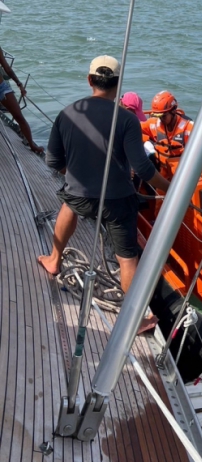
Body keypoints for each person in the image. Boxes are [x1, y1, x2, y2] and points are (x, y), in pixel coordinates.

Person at [37, 55, 171, 331]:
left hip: (78, 193)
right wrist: (170, 189)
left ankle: (54, 259)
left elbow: (53, 161)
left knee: (68, 205)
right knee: (126, 257)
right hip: (117, 201)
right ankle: (135, 318)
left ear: (90, 81)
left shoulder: (67, 113)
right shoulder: (126, 120)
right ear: (118, 84)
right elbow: (143, 168)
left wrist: (73, 175)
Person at [0, 45, 44, 153]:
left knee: (19, 116)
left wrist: (19, 84)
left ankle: (32, 144)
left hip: (1, 87)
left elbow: (7, 68)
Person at [140, 91, 194, 164]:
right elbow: (133, 129)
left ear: (174, 111)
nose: (161, 119)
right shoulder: (153, 124)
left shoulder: (189, 129)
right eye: (158, 116)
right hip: (160, 172)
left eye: (163, 116)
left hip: (181, 172)